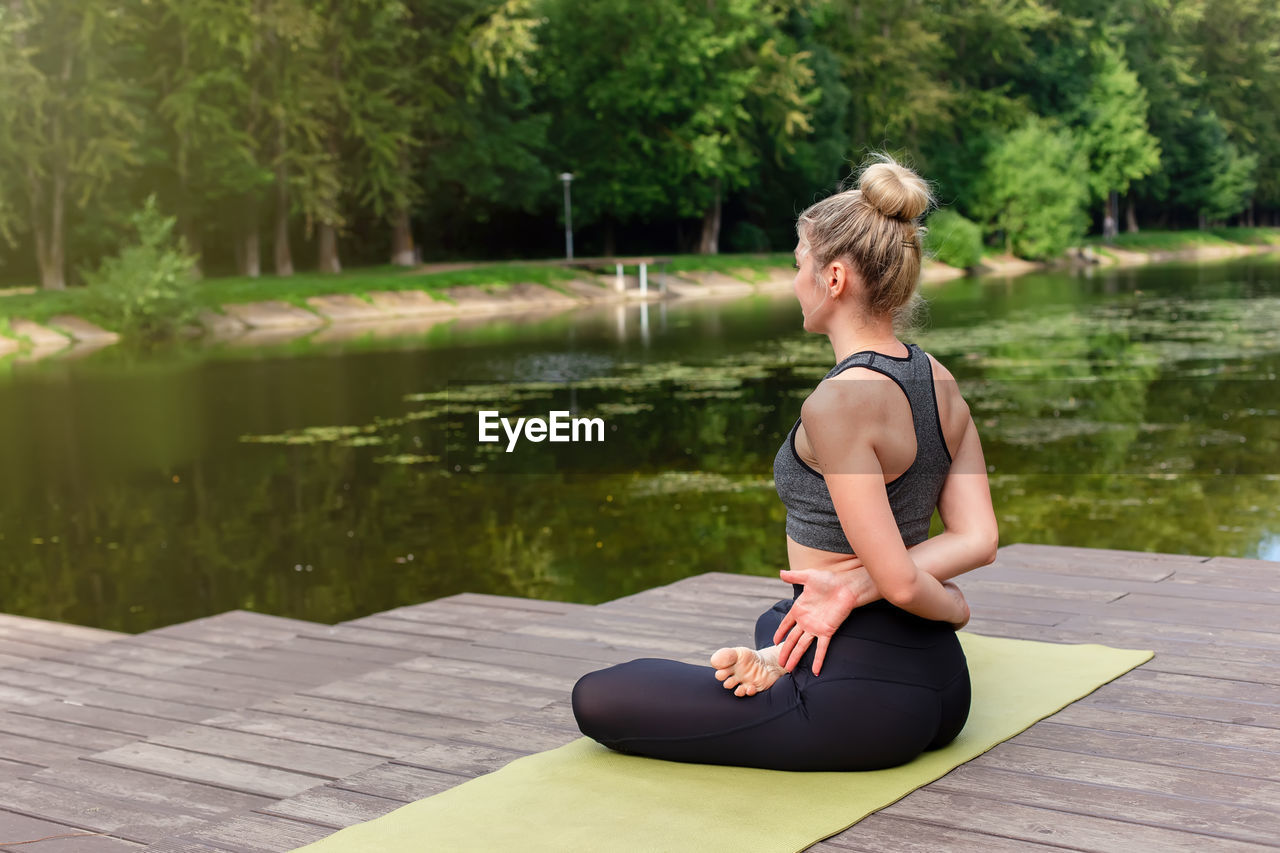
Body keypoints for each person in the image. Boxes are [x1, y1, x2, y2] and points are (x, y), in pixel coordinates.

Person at [570, 154, 1000, 772]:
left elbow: (903, 584)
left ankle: (782, 672)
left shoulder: (840, 402)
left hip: (860, 705)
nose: (791, 278)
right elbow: (978, 538)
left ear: (832, 279)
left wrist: (942, 603)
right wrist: (876, 587)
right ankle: (777, 662)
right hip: (943, 687)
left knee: (601, 695)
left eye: (797, 263)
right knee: (777, 621)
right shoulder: (938, 381)